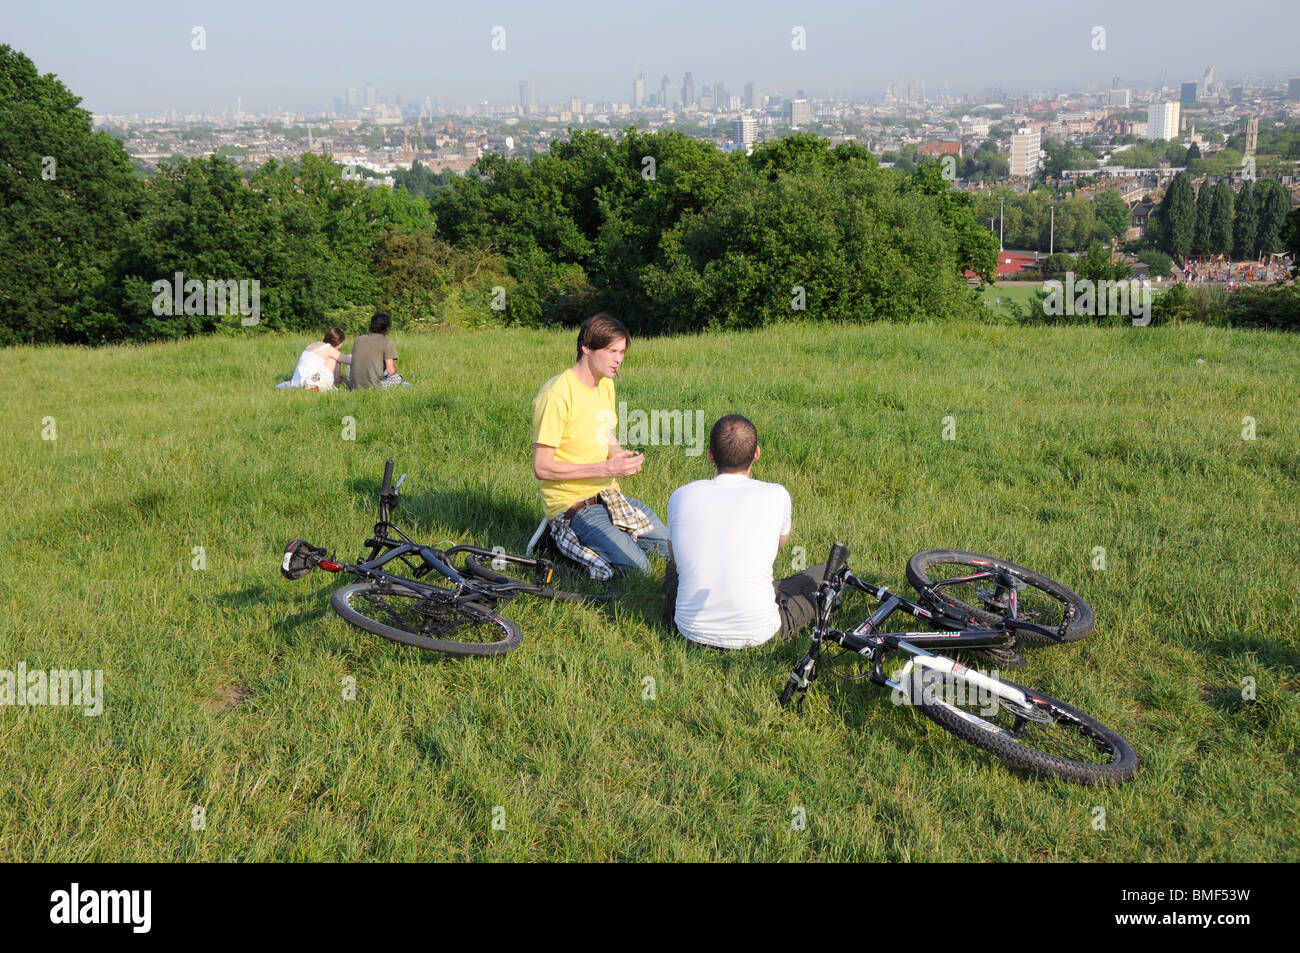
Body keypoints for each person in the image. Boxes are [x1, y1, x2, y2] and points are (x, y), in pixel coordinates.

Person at [664, 415, 824, 650]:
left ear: (710, 454)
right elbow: (780, 544)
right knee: (829, 575)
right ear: (757, 453)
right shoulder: (777, 494)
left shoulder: (681, 495)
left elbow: (676, 559)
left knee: (671, 569)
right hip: (759, 633)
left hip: (689, 632)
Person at [531, 313, 670, 578]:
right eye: (612, 351)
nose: (619, 359)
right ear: (586, 347)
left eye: (622, 352)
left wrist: (619, 456)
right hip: (572, 506)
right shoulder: (556, 395)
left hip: (609, 497)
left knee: (673, 553)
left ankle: (610, 540)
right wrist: (606, 467)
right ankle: (555, 540)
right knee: (640, 570)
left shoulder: (605, 384)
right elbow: (543, 468)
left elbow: (605, 431)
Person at [348, 311, 407, 390]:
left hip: (354, 385)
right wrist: (394, 366)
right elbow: (390, 371)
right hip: (373, 386)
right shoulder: (387, 342)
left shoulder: (358, 339)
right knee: (398, 378)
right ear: (387, 327)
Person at [280, 327, 351, 391]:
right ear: (339, 342)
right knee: (335, 359)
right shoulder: (329, 349)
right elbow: (349, 360)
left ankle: (313, 385)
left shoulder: (312, 345)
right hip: (313, 379)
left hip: (297, 380)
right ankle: (334, 383)